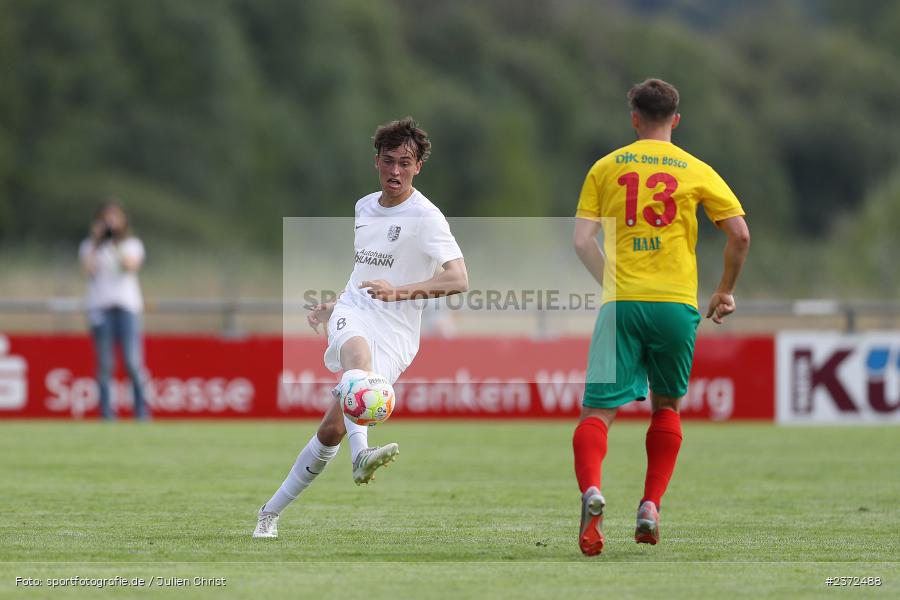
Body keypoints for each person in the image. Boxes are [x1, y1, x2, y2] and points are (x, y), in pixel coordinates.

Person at [254, 117, 468, 539]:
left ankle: (268, 513)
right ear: (376, 162)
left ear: (418, 166)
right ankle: (362, 456)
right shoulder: (364, 206)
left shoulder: (427, 218)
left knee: (332, 427)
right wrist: (337, 304)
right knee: (358, 360)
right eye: (388, 161)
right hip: (357, 310)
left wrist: (399, 292)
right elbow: (366, 271)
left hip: (398, 332)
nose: (395, 171)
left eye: (404, 163)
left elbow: (459, 279)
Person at [571, 79, 750, 555]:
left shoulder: (606, 168)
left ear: (633, 118)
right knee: (666, 408)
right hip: (675, 305)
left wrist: (612, 282)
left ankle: (592, 491)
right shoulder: (696, 169)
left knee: (597, 413)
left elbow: (581, 242)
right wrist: (724, 292)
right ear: (675, 119)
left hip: (622, 303)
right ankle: (650, 504)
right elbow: (740, 235)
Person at [79, 201, 150, 420]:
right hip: (101, 308)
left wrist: (115, 244)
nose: (110, 222)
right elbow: (88, 270)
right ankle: (107, 414)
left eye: (115, 217)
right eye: (106, 218)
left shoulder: (132, 244)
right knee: (105, 365)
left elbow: (130, 266)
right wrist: (96, 241)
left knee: (132, 362)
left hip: (127, 308)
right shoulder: (89, 246)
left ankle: (141, 412)